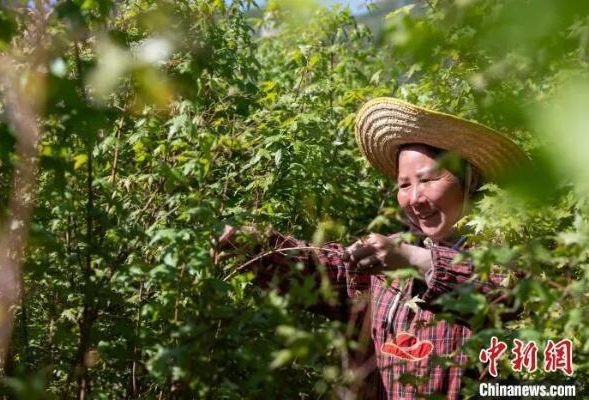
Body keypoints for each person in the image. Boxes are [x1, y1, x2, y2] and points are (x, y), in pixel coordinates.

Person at [219, 98, 529, 399]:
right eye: (404, 185)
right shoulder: (390, 259)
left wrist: (413, 259)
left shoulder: (510, 256)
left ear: (470, 180)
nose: (416, 199)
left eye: (428, 180)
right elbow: (322, 271)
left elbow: (505, 295)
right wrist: (250, 242)